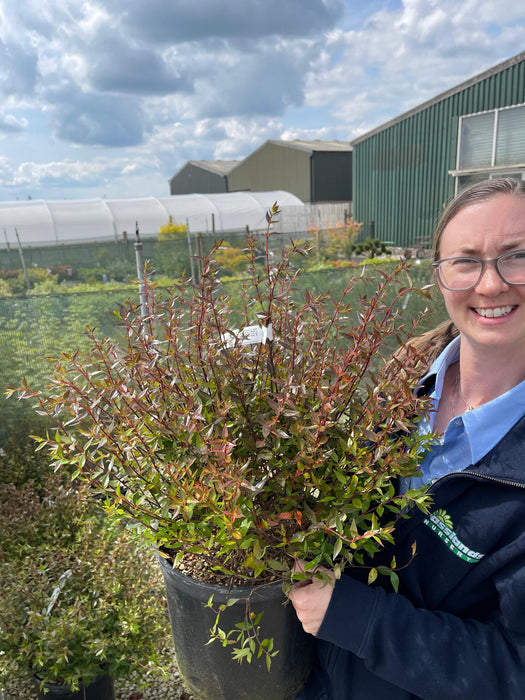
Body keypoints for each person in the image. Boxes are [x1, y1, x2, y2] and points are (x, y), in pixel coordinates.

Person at [288, 177, 525, 700]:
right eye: (466, 260)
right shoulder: (406, 380)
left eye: (517, 255)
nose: (491, 284)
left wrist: (354, 617)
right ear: (440, 277)